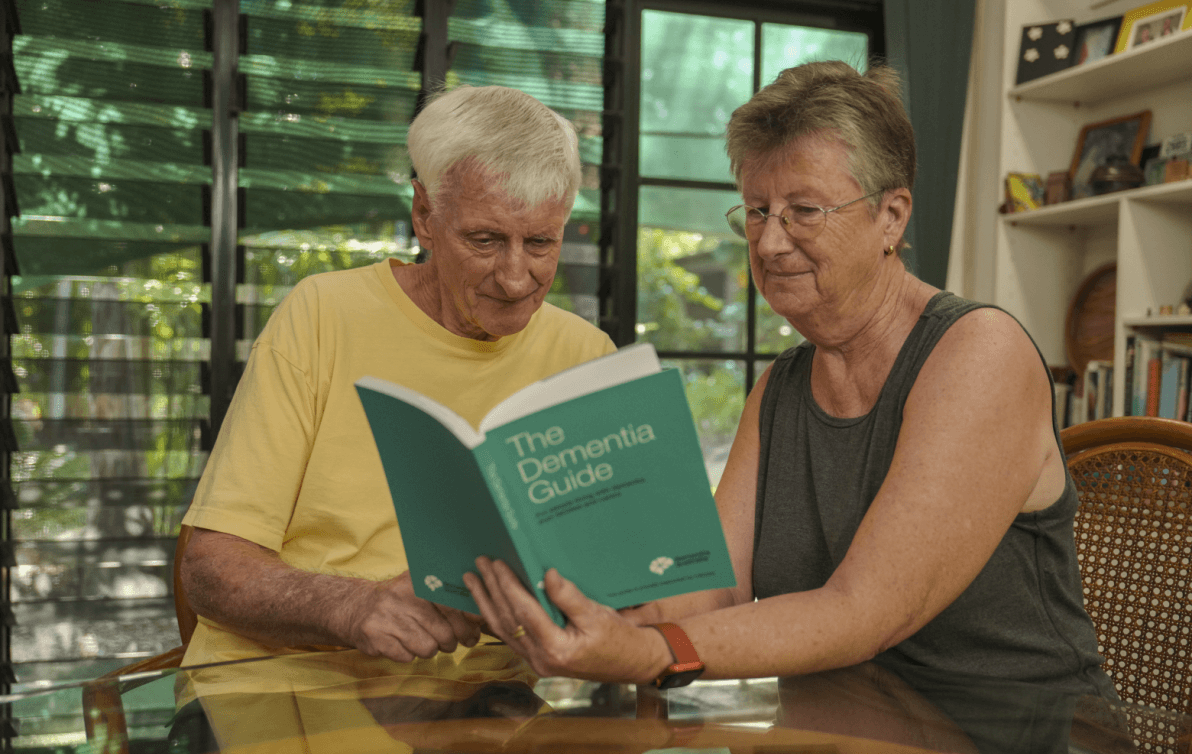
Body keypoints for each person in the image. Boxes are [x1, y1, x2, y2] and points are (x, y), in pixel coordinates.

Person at [465, 61, 1117, 702]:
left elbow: (865, 612)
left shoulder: (980, 353)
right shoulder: (779, 387)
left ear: (891, 216)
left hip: (1015, 731)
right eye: (755, 211)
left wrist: (651, 652)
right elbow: (714, 587)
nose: (770, 243)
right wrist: (585, 616)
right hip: (841, 730)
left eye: (803, 210)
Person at [178, 85, 616, 675]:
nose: (516, 279)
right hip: (285, 693)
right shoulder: (321, 317)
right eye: (484, 240)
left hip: (485, 708)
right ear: (424, 215)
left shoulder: (586, 356)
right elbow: (209, 569)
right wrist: (354, 606)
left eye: (540, 242)